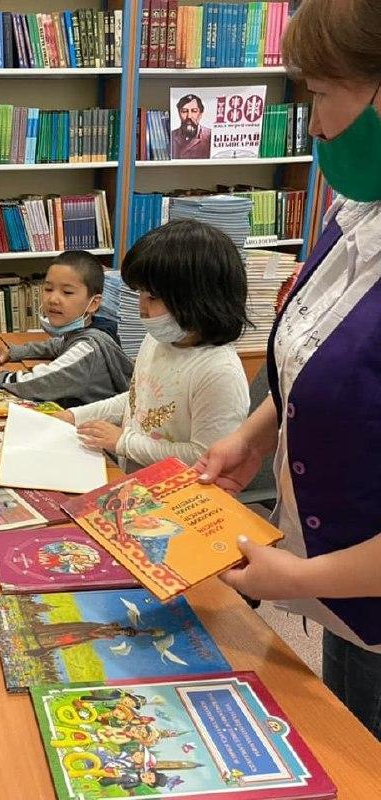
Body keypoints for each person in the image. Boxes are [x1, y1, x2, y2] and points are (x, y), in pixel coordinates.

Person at [194, 0, 381, 741]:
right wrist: (255, 431)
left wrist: (300, 580)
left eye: (322, 94)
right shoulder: (356, 211)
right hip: (347, 593)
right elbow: (322, 352)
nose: (313, 126)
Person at [58, 221, 250, 472]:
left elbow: (204, 457)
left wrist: (123, 442)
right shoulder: (158, 340)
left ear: (200, 298)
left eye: (153, 297)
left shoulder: (219, 372)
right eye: (140, 293)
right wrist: (75, 416)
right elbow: (139, 401)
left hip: (181, 492)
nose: (142, 307)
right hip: (135, 480)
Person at [0, 250, 133, 407]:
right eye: (48, 289)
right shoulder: (89, 330)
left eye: (67, 292)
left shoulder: (88, 349)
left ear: (93, 303)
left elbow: (40, 381)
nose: (53, 299)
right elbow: (57, 345)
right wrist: (11, 352)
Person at [171, 93, 211, 159]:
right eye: (184, 111)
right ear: (179, 113)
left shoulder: (209, 135)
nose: (189, 116)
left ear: (200, 114)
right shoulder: (171, 135)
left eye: (194, 111)